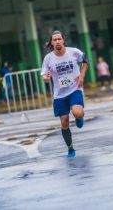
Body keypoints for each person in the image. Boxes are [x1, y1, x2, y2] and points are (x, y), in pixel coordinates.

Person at [41, 30, 89, 158]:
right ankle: (70, 148)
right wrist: (47, 77)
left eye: (59, 39)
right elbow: (44, 77)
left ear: (63, 40)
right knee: (64, 122)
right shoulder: (48, 58)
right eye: (54, 40)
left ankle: (79, 117)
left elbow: (86, 60)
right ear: (52, 43)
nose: (57, 41)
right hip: (59, 94)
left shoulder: (73, 52)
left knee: (77, 112)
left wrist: (82, 76)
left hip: (75, 89)